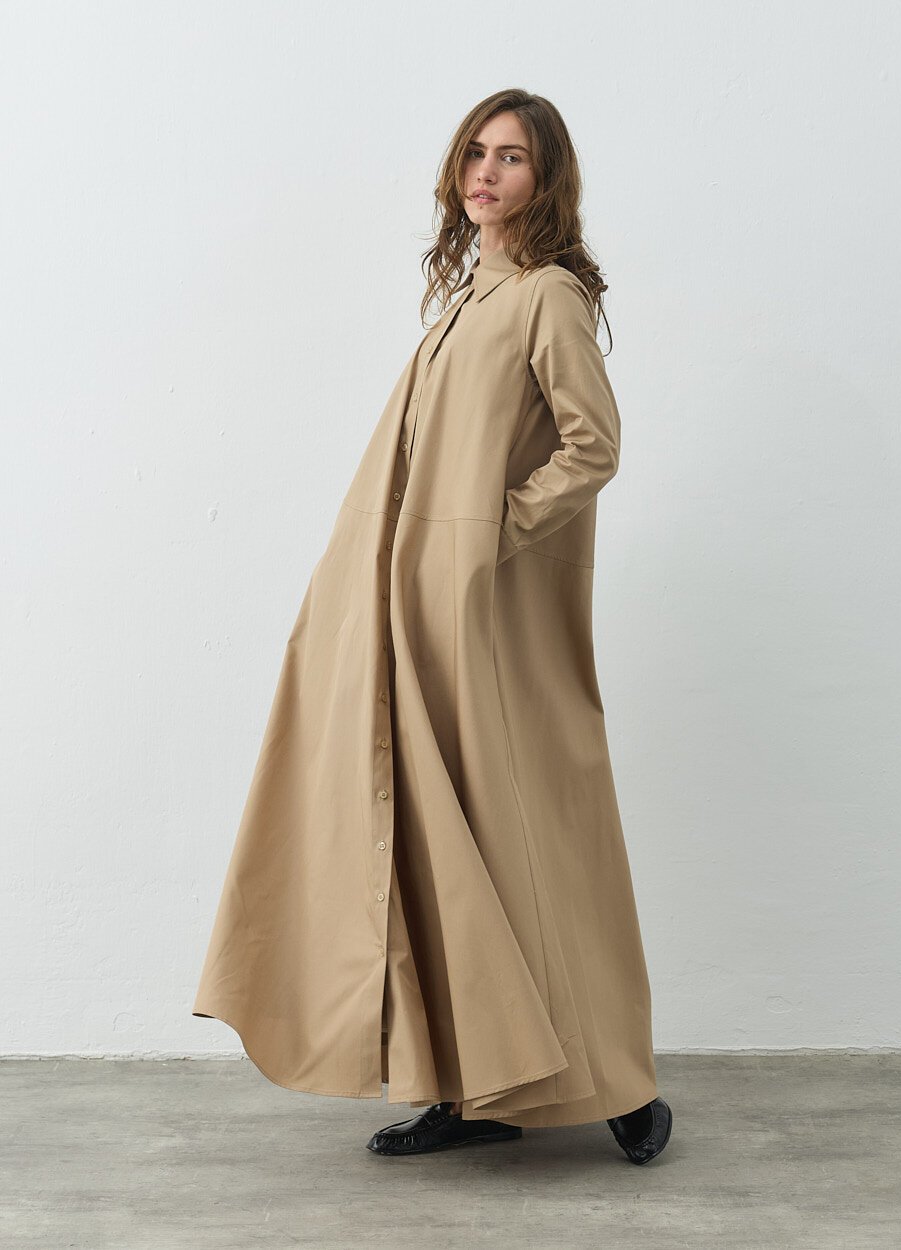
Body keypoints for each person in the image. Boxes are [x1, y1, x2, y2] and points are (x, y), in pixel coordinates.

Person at [192, 88, 672, 1167]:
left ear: (546, 180)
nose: (486, 172)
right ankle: (471, 1088)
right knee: (431, 844)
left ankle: (620, 1085)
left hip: (482, 620)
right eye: (475, 153)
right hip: (412, 611)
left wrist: (491, 532)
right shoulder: (464, 302)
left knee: (521, 837)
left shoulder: (546, 296)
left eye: (512, 157)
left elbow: (593, 444)